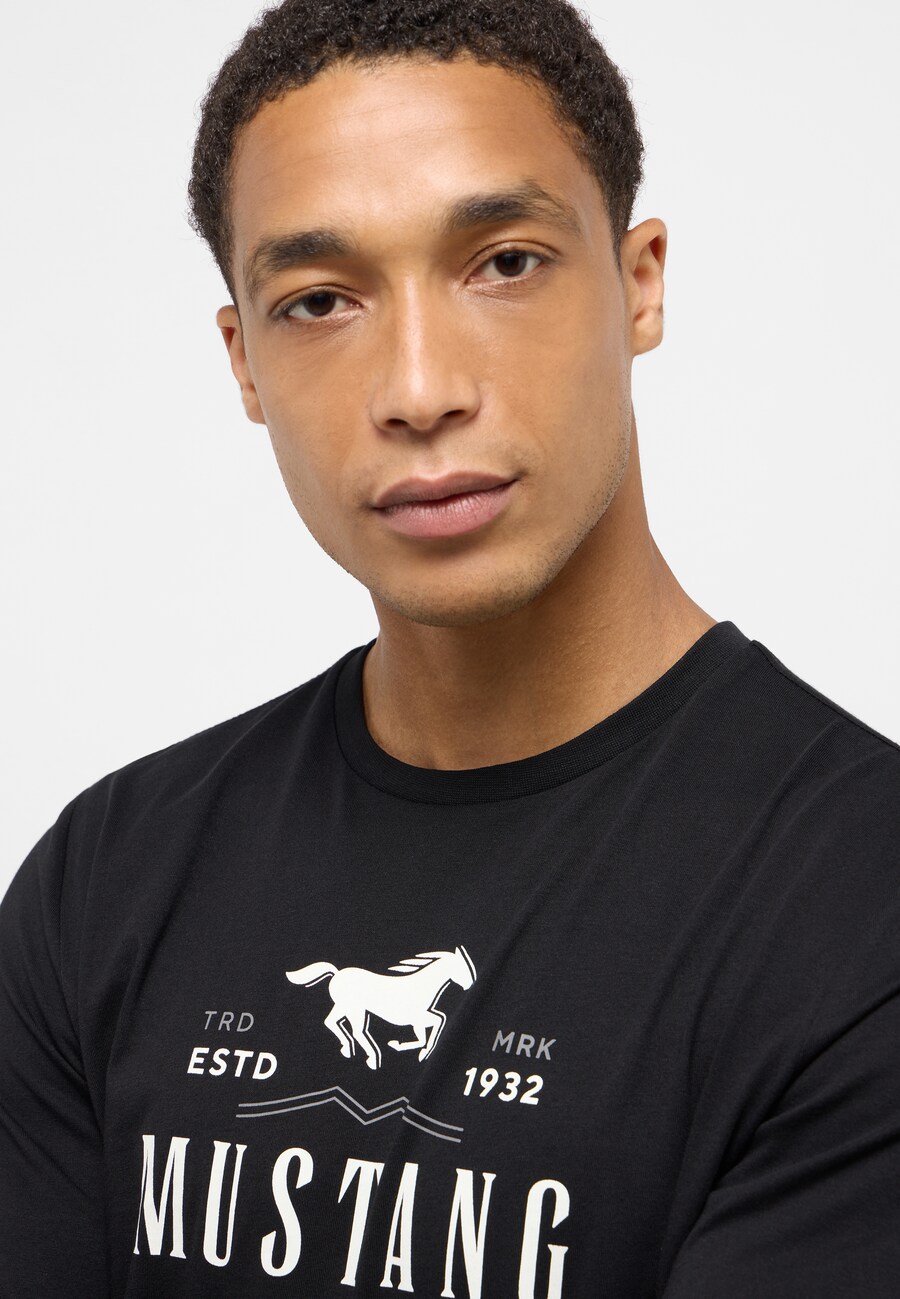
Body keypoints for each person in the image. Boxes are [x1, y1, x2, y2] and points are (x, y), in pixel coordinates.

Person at [1, 0, 898, 1294]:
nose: (420, 389)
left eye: (505, 262)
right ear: (243, 361)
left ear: (640, 282)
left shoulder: (861, 908)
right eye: (320, 300)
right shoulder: (107, 880)